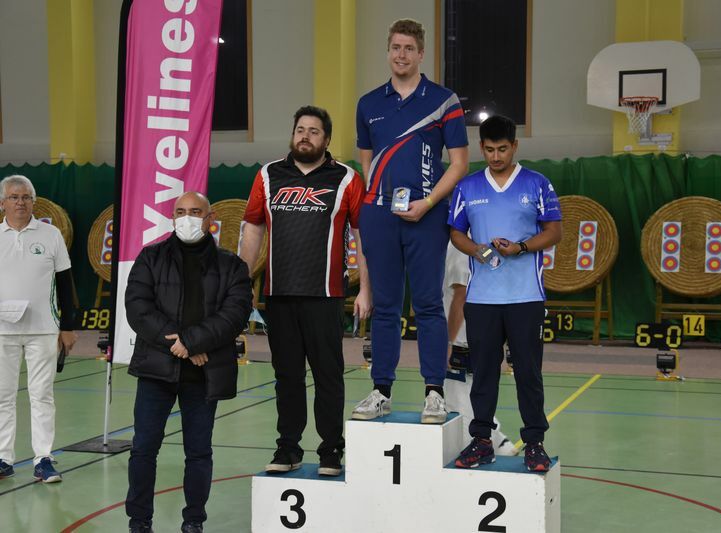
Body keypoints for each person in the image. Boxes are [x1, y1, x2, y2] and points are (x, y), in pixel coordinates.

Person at [239, 106, 371, 477]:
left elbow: (362, 237)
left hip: (326, 296)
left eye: (314, 131)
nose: (305, 136)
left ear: (326, 140)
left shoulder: (346, 178)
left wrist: (366, 289)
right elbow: (253, 229)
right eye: (300, 129)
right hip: (279, 296)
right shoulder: (268, 175)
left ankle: (331, 450)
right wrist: (240, 281)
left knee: (328, 376)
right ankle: (288, 448)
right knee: (287, 378)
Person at [352, 18, 468, 424]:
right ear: (388, 51)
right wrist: (378, 202)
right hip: (379, 215)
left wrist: (429, 202)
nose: (401, 55)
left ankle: (434, 392)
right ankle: (381, 391)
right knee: (385, 306)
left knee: (428, 305)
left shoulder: (443, 101)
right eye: (395, 47)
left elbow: (459, 164)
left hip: (426, 216)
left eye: (408, 49)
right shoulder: (369, 104)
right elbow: (367, 164)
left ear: (421, 54)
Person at [125, 191, 251, 533]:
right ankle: (139, 521)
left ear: (210, 219)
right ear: (172, 217)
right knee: (143, 448)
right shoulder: (150, 257)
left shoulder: (232, 265)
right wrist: (180, 345)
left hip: (204, 374)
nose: (187, 218)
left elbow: (235, 314)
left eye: (195, 211)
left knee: (198, 452)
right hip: (156, 371)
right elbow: (138, 308)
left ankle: (194, 520)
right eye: (180, 211)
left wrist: (192, 342)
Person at [448, 115, 562, 472]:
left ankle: (535, 443)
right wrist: (477, 250)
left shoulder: (537, 183)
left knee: (528, 372)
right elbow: (456, 232)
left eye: (502, 149)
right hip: (482, 299)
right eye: (489, 149)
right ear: (481, 148)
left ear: (514, 146)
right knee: (483, 373)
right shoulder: (467, 187)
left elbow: (554, 231)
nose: (496, 156)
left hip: (526, 297)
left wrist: (522, 247)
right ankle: (482, 440)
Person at [0, 175, 77, 484]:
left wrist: (68, 326)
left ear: (33, 201)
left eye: (26, 197)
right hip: (2, 331)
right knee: (2, 396)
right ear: (3, 203)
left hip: (44, 329)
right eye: (14, 197)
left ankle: (43, 458)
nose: (20, 202)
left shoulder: (51, 234)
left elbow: (66, 282)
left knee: (42, 395)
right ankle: (3, 458)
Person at [443, 242, 518, 457]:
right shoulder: (482, 244)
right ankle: (500, 441)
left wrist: (448, 343)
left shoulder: (460, 247)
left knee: (458, 401)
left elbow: (461, 296)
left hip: (461, 341)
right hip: (480, 335)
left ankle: (491, 445)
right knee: (473, 394)